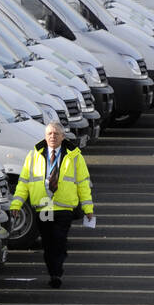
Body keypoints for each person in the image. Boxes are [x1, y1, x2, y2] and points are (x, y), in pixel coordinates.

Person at [9, 122, 96, 288]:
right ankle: (53, 270)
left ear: (63, 137)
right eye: (49, 134)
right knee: (48, 242)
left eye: (56, 134)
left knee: (59, 238)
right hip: (45, 205)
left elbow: (83, 184)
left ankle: (57, 273)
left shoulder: (74, 156)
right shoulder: (34, 155)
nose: (52, 137)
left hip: (64, 207)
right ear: (45, 136)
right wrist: (16, 204)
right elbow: (24, 182)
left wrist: (88, 209)